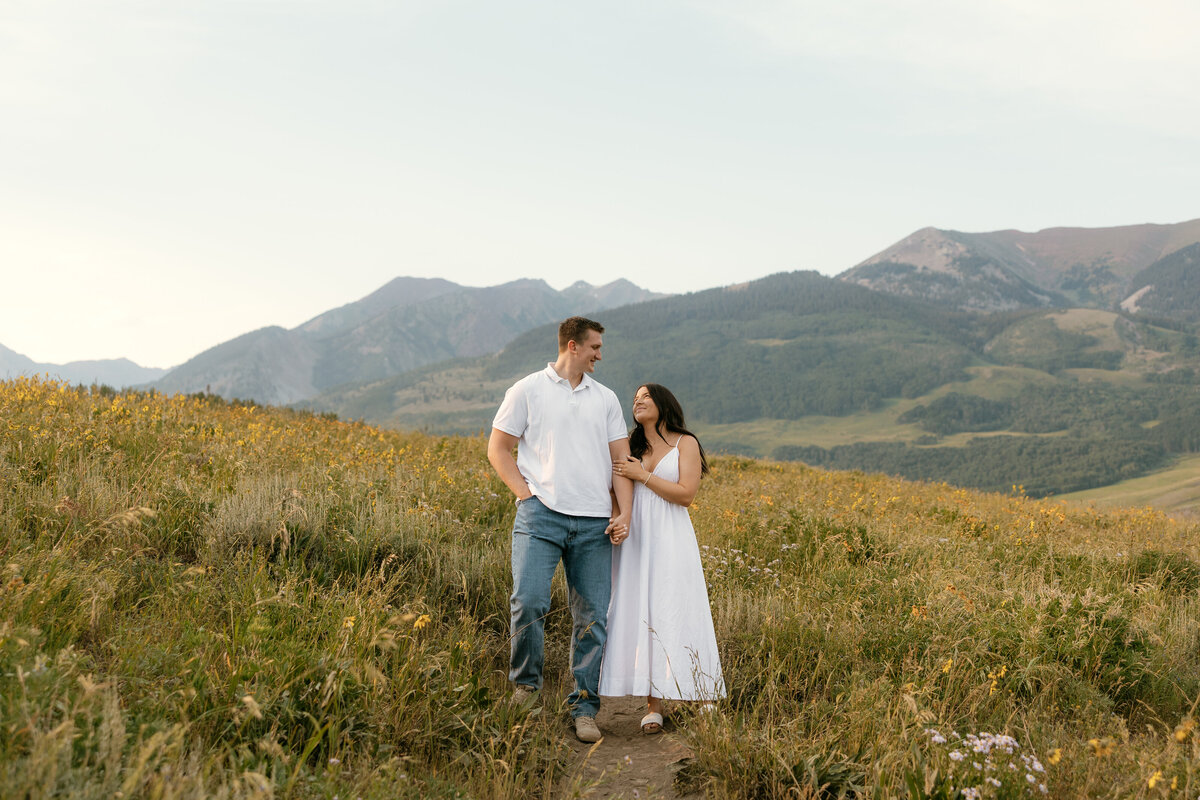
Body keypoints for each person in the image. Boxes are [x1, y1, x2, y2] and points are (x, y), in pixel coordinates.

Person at [487, 316, 634, 743]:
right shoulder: (526, 389)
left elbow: (621, 461)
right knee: (528, 601)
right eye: (595, 347)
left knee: (592, 619)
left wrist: (623, 512)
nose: (600, 354)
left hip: (594, 524)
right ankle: (526, 690)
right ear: (573, 346)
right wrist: (525, 494)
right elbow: (498, 448)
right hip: (540, 517)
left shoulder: (606, 399)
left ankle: (583, 707)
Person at [599, 383, 725, 734]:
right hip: (637, 538)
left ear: (664, 403)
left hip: (672, 535)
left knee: (681, 607)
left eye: (646, 397)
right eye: (635, 399)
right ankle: (653, 705)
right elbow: (615, 488)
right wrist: (618, 518)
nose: (637, 402)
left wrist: (643, 475)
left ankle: (703, 693)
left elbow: (686, 494)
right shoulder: (630, 445)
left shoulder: (686, 443)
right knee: (645, 613)